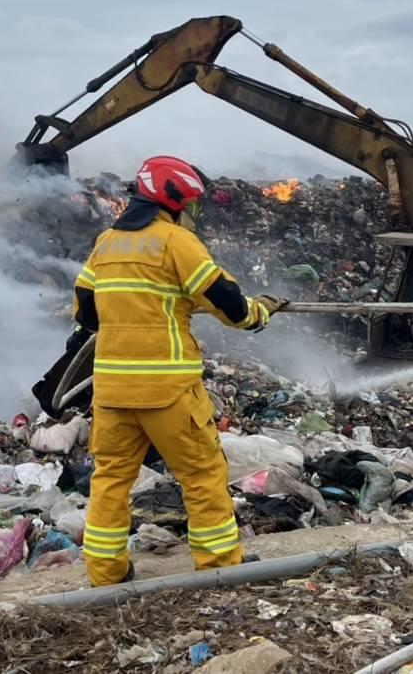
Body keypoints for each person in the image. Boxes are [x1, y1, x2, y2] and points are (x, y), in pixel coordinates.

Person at [73, 155, 285, 587]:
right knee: (202, 474)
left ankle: (106, 573)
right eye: (189, 206)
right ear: (173, 202)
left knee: (111, 478)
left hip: (111, 392)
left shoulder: (105, 245)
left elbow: (86, 314)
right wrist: (262, 312)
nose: (190, 215)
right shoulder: (176, 242)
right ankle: (220, 566)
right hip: (168, 390)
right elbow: (230, 304)